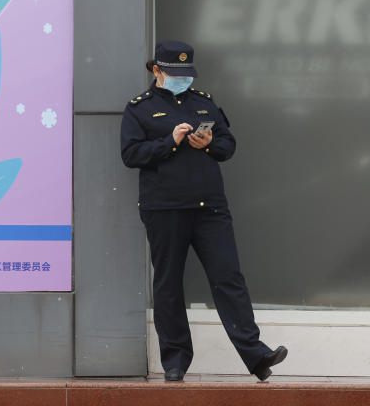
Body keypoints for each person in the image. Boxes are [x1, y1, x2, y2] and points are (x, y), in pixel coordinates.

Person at [120, 40, 287, 382]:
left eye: (187, 74)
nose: (183, 80)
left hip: (210, 207)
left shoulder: (204, 103)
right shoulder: (140, 108)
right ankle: (176, 360)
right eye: (174, 73)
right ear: (157, 71)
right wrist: (170, 141)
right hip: (164, 208)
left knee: (228, 278)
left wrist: (210, 144)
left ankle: (256, 355)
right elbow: (131, 154)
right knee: (169, 284)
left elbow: (228, 145)